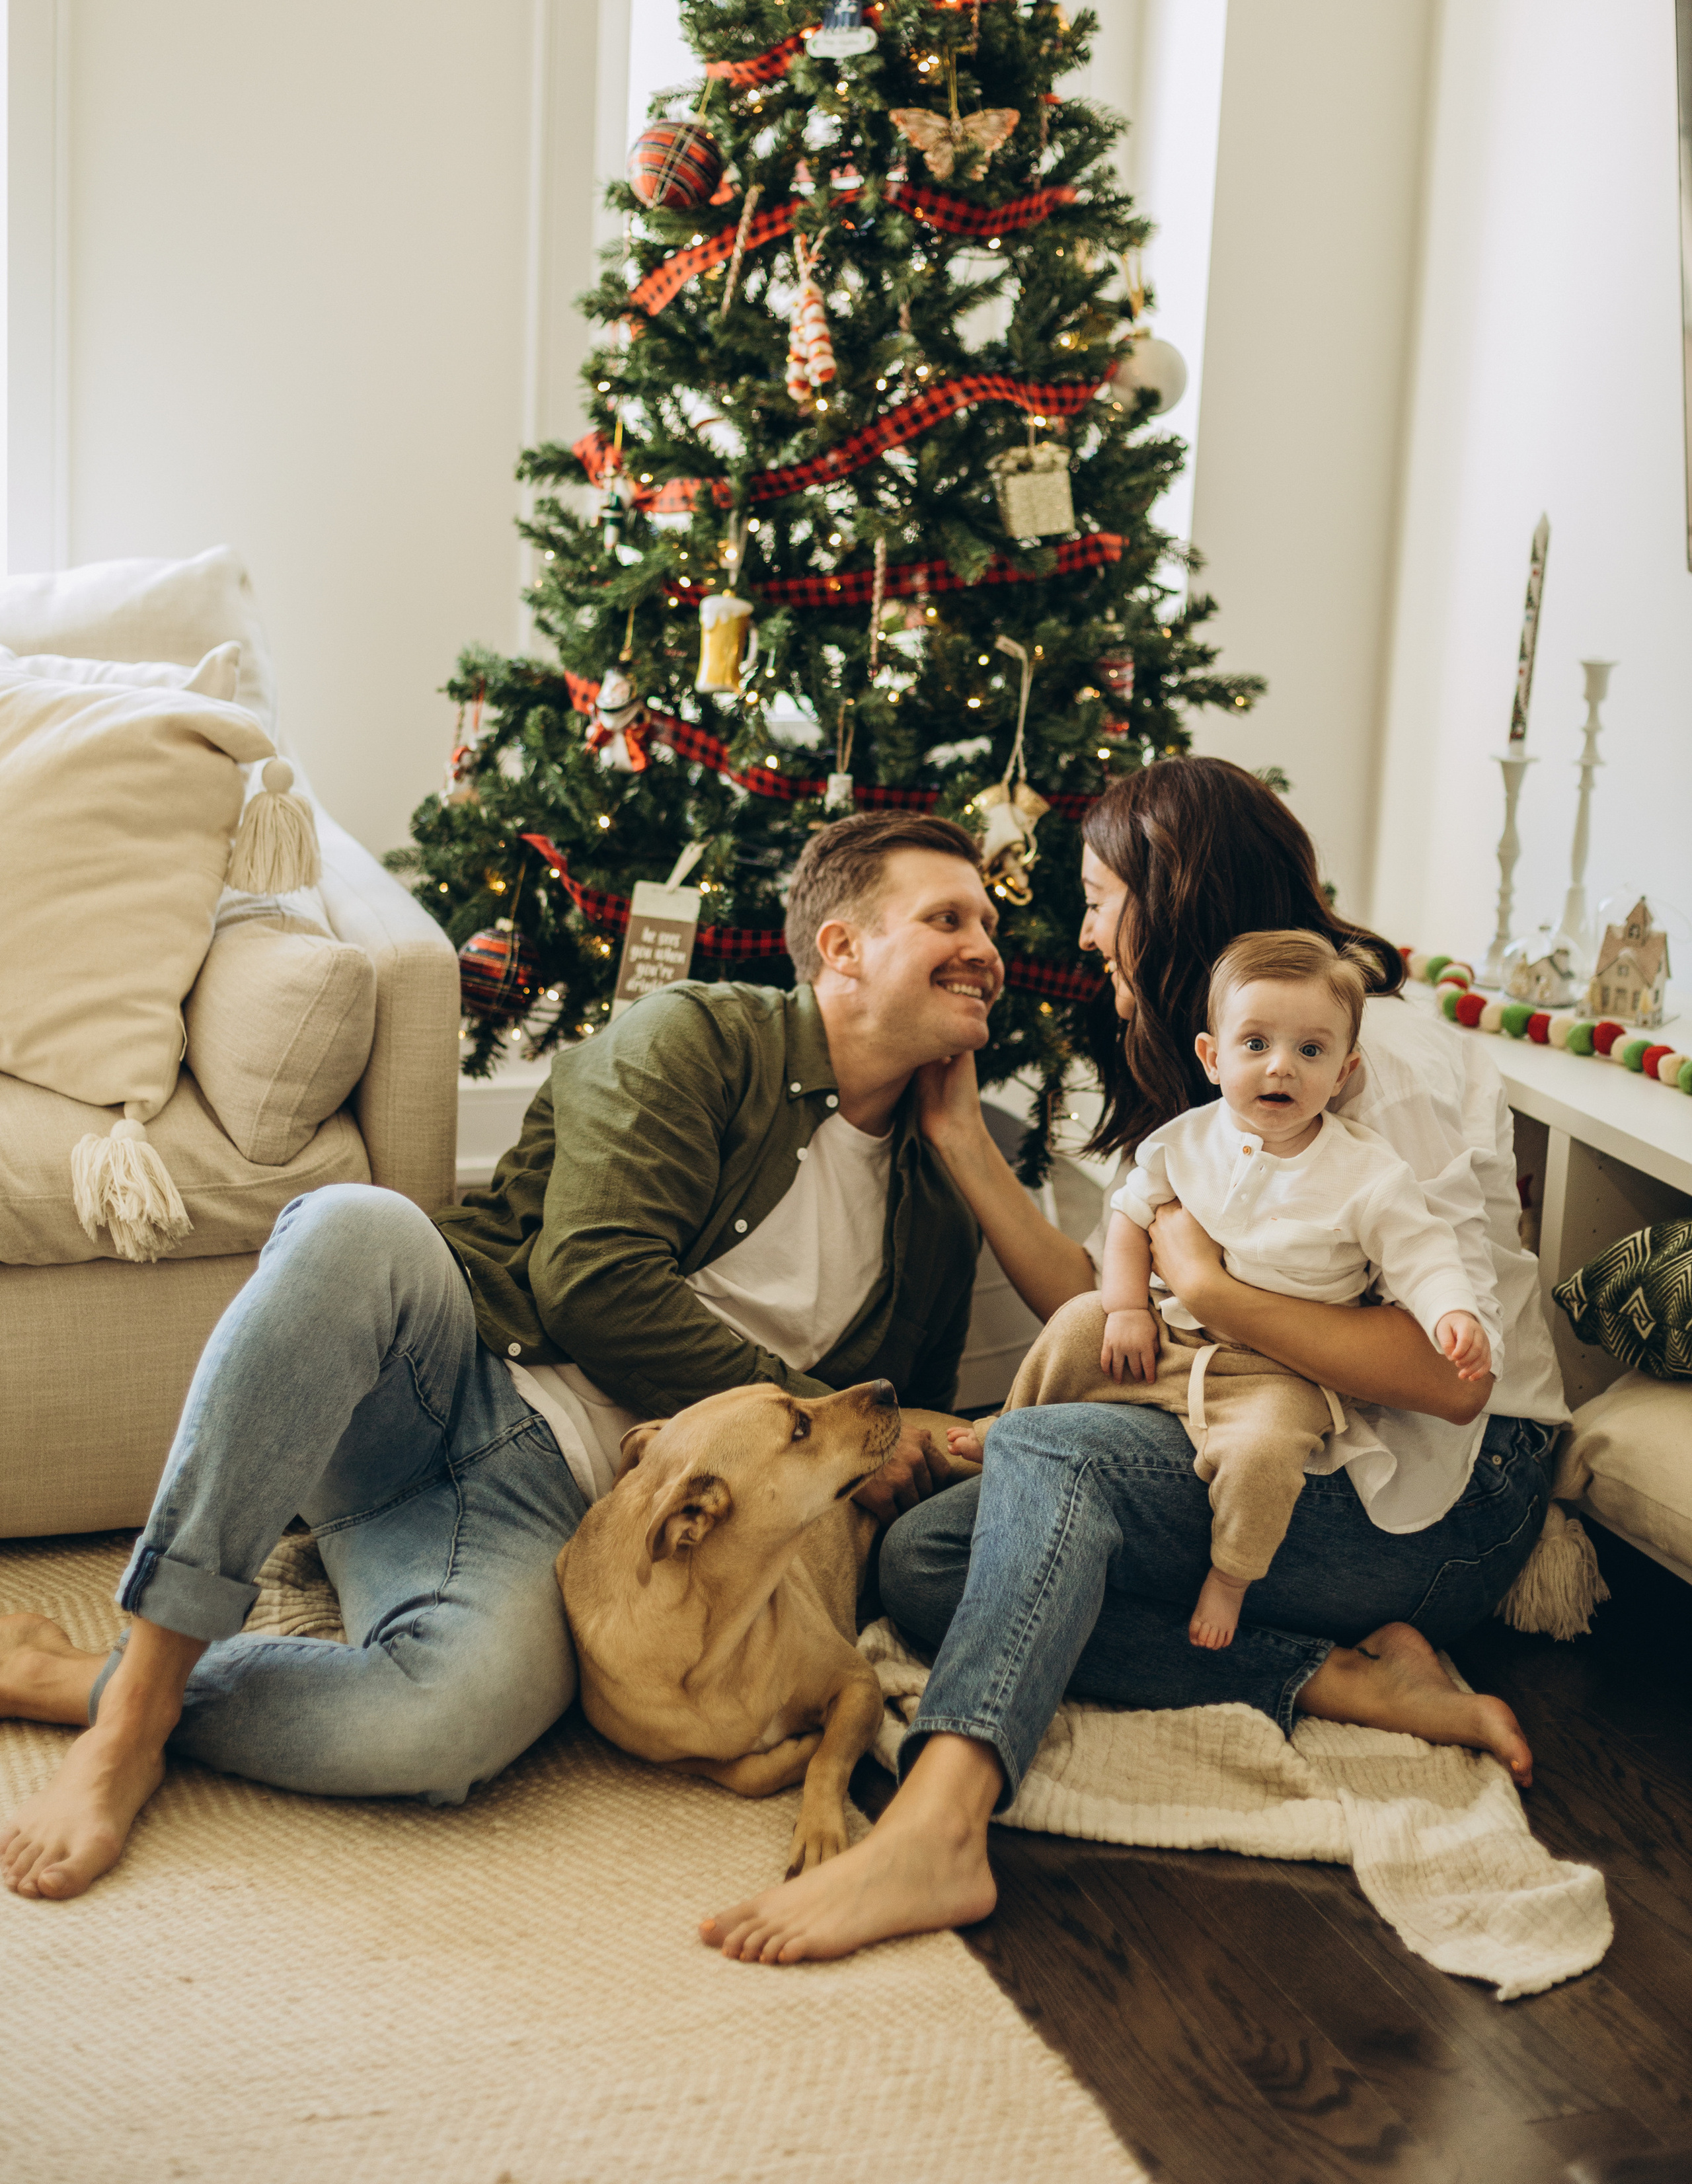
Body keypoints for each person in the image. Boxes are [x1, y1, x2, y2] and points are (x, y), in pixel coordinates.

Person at [0, 810, 997, 1904]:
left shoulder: (938, 1205)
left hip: (559, 1527)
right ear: (842, 948)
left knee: (442, 1728)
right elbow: (593, 1280)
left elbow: (906, 1423)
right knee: (351, 1229)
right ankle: (134, 1712)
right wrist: (815, 1404)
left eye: (992, 924)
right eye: (948, 918)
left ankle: (62, 1679)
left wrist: (961, 1164)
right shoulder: (702, 1040)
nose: (986, 948)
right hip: (456, 1377)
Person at [697, 759, 1570, 1967]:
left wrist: (1212, 1291)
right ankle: (1337, 1680)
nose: (1087, 926)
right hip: (1278, 1432)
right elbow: (1127, 1324)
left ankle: (944, 1823)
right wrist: (962, 1143)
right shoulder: (1226, 1081)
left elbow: (1449, 1378)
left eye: (1105, 895)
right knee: (925, 1562)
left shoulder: (1371, 1062)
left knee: (1050, 1452)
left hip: (1450, 1487)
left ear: (1173, 900)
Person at [946, 929, 1491, 1652]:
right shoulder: (1184, 1141)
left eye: (1310, 1051)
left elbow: (1423, 1252)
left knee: (1265, 1455)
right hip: (1174, 1339)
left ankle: (1231, 1576)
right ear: (1212, 1056)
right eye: (1256, 1043)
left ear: (1343, 1072)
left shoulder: (1368, 1175)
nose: (1280, 1069)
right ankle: (1009, 1428)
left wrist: (1450, 1310)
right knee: (1078, 1324)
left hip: (1281, 1373)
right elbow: (1129, 1220)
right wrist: (1126, 1309)